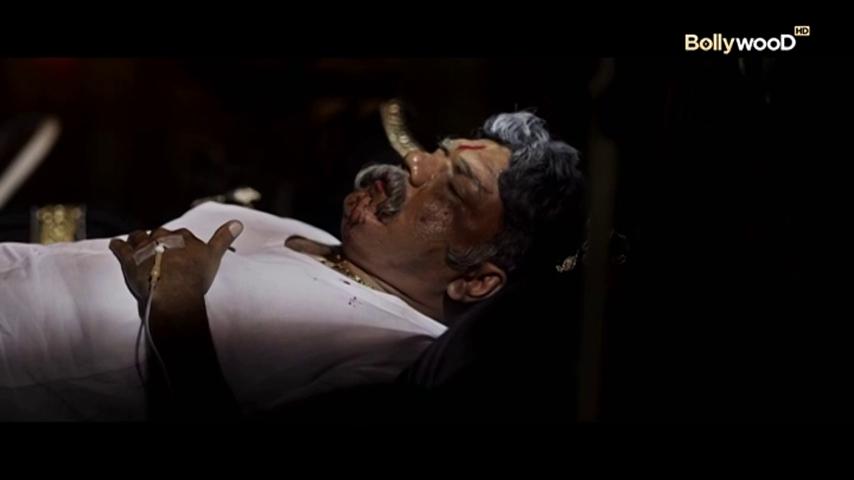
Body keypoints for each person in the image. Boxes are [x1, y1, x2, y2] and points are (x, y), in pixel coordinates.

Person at [0, 111, 584, 421]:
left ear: (476, 280)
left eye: (455, 186)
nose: (414, 163)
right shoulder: (314, 236)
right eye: (437, 152)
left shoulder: (390, 356)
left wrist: (177, 309)